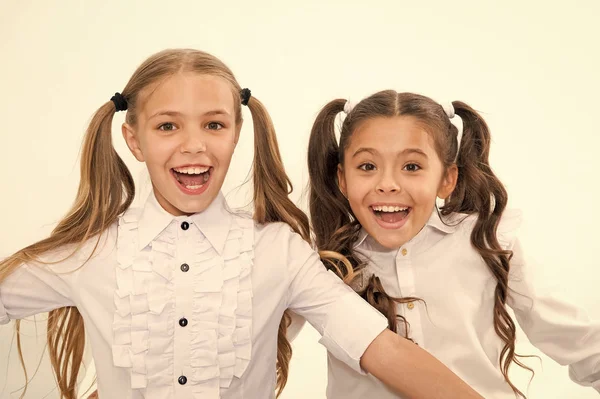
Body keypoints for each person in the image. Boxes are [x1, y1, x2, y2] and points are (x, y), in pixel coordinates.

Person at [0, 51, 483, 399]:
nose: (194, 146)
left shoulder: (278, 251)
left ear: (236, 133)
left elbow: (378, 348)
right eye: (168, 126)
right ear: (133, 138)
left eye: (214, 125)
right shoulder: (91, 253)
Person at [307, 90, 600, 398]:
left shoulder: (487, 241)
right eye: (367, 166)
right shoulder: (324, 262)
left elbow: (572, 336)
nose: (388, 184)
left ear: (447, 179)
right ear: (342, 179)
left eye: (411, 167)